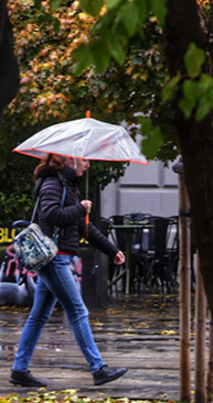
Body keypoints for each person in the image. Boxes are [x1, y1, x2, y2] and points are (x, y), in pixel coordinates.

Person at [10, 154, 128, 388]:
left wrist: (112, 250)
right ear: (68, 160)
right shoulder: (53, 183)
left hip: (59, 258)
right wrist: (79, 208)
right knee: (77, 310)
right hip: (54, 258)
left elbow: (85, 228)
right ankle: (98, 368)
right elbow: (49, 214)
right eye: (84, 160)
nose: (88, 164)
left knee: (39, 316)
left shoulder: (66, 186)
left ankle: (19, 370)